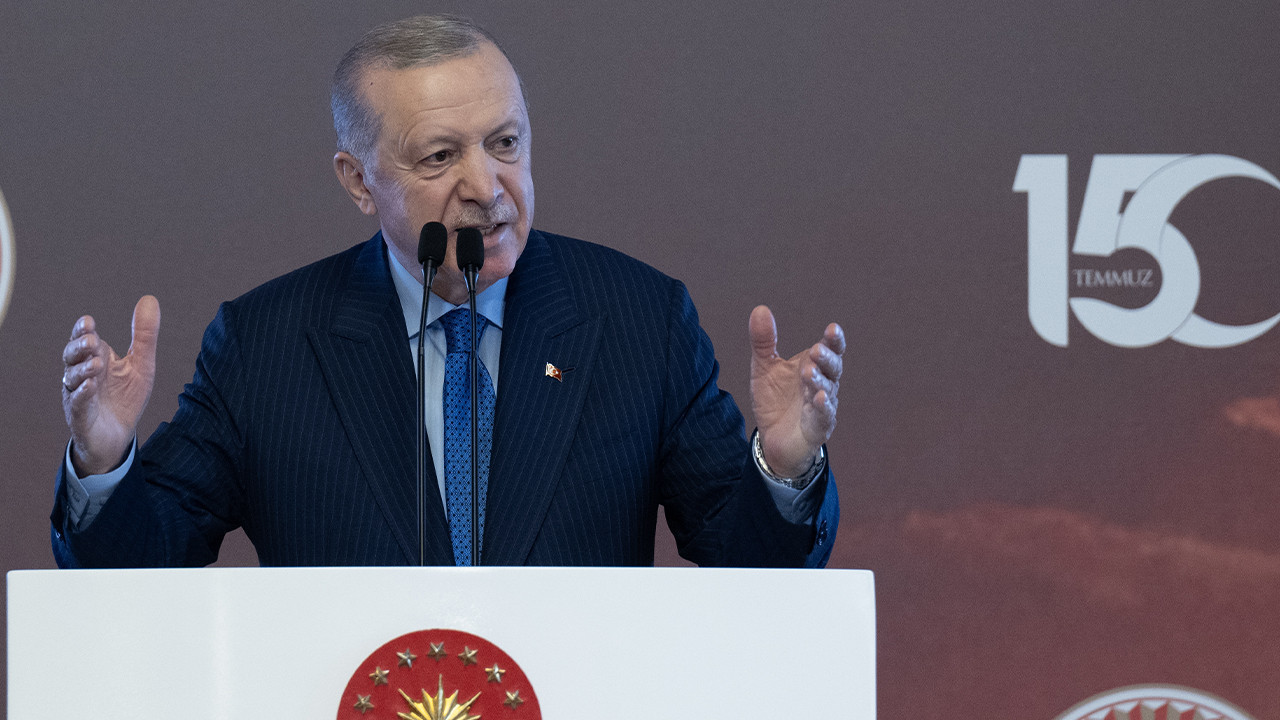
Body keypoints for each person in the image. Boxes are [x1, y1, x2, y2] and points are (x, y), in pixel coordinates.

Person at [52, 15, 844, 568]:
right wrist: (103, 458)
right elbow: (143, 566)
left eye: (505, 143)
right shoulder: (265, 345)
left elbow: (747, 562)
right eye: (439, 157)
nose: (487, 187)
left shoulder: (639, 320)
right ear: (358, 181)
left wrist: (782, 466)